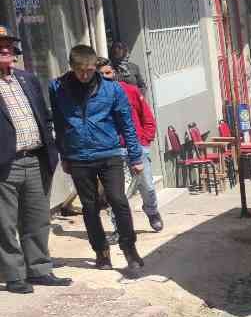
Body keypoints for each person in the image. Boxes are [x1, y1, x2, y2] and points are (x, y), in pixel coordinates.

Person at [52, 44, 144, 270]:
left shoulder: (112, 90)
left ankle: (129, 248)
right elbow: (59, 122)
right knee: (89, 206)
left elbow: (127, 124)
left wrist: (135, 156)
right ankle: (101, 251)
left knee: (118, 201)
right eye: (80, 70)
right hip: (78, 156)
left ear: (95, 67)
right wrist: (64, 155)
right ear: (72, 67)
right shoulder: (57, 88)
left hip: (108, 153)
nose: (85, 75)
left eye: (90, 70)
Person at [0, 26, 69, 294]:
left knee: (37, 219)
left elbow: (45, 116)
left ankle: (40, 269)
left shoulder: (27, 79)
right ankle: (14, 275)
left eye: (8, 45)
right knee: (5, 223)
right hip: (6, 165)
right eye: (0, 46)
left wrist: (52, 149)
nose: (5, 49)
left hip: (36, 160)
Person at [99, 58, 162, 232]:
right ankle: (119, 227)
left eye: (108, 73)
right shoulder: (96, 98)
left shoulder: (131, 91)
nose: (105, 77)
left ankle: (152, 211)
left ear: (115, 73)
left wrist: (145, 140)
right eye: (100, 74)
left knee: (147, 186)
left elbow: (147, 118)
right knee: (117, 193)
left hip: (138, 146)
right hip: (114, 150)